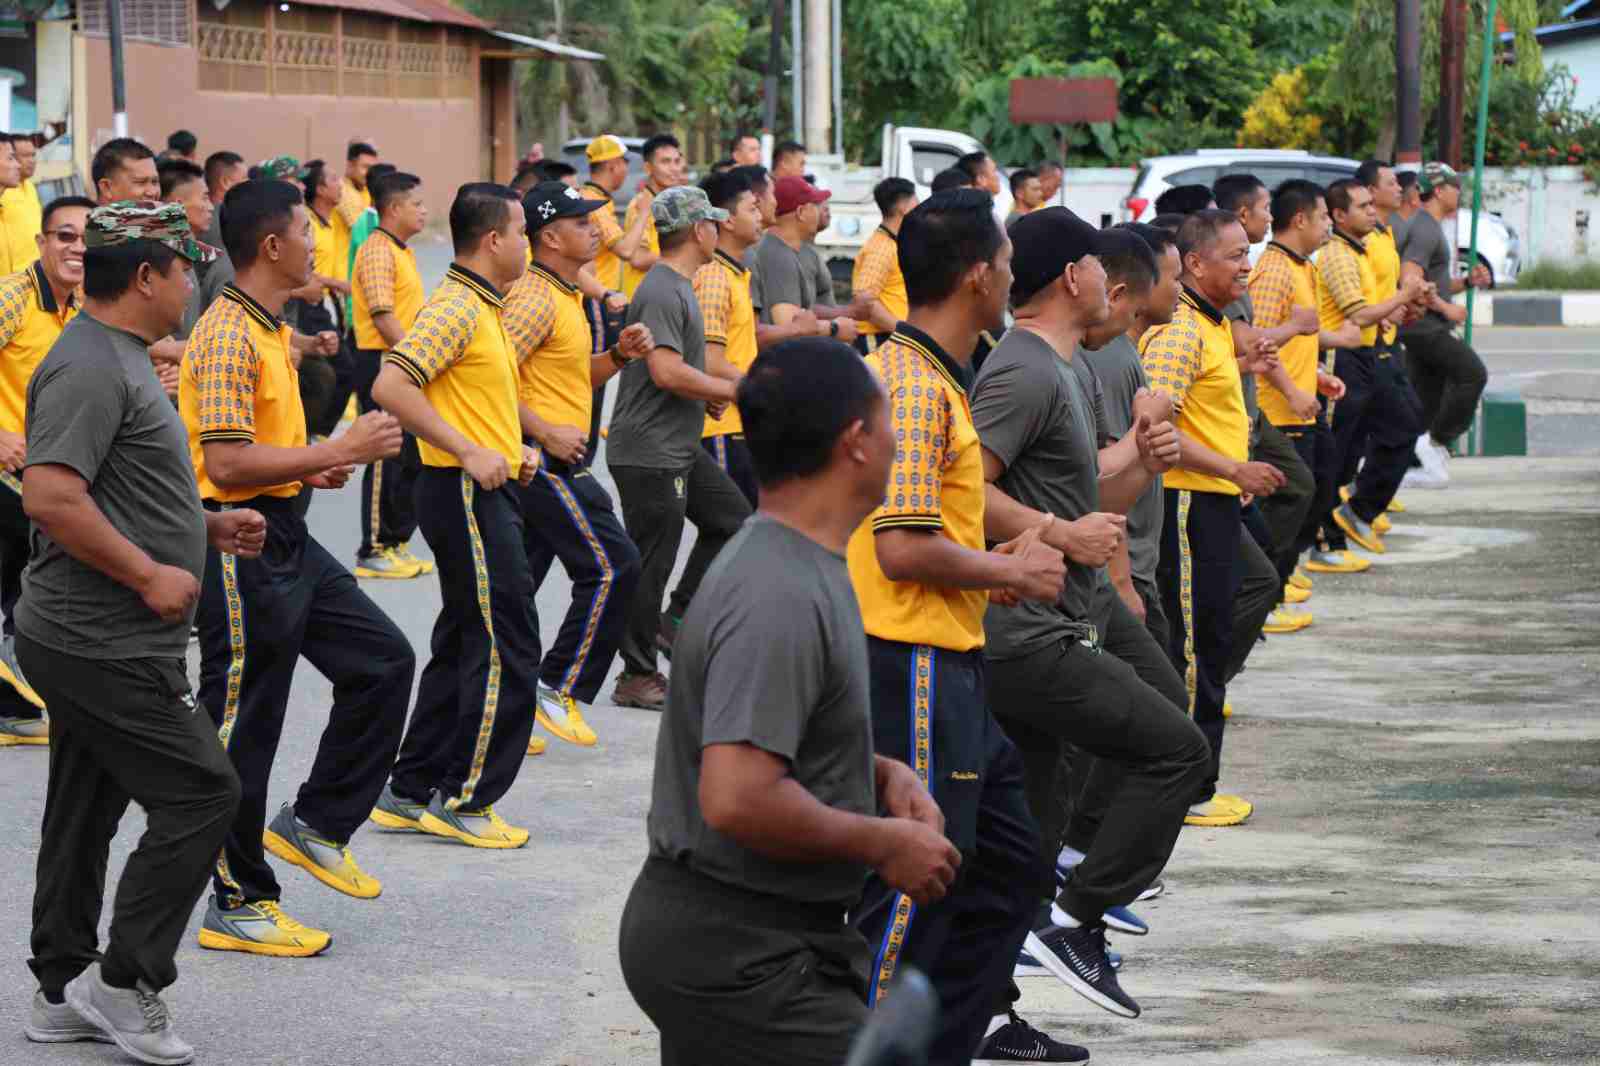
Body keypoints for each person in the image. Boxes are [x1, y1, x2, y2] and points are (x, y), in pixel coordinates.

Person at [619, 337, 958, 1066]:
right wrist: (883, 843)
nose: (900, 439)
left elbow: (766, 733)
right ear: (857, 443)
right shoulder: (776, 588)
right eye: (889, 420)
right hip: (739, 954)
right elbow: (738, 797)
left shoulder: (804, 558)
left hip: (750, 938)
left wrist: (876, 773)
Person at [19, 201, 259, 1065]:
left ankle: (59, 991)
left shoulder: (120, 356)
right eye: (187, 269)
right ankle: (124, 978)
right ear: (149, 278)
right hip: (101, 638)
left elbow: (118, 484)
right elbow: (51, 495)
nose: (197, 283)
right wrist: (149, 572)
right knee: (203, 792)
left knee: (84, 809)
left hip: (97, 633)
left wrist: (203, 529)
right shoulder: (90, 366)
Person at [845, 188, 1069, 1066]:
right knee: (912, 882)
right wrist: (1008, 569)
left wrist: (996, 568)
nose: (1014, 273)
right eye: (1008, 260)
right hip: (914, 660)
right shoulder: (910, 382)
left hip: (954, 656)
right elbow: (903, 547)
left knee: (1010, 872)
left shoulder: (939, 374)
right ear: (979, 276)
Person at [973, 211, 1203, 1028]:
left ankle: (989, 1015)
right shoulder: (1025, 370)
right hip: (1024, 632)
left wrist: (1143, 457)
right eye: (1096, 266)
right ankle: (1078, 919)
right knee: (1177, 751)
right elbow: (960, 489)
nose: (1112, 277)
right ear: (1072, 278)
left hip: (1055, 619)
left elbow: (1088, 501)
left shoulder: (1062, 366)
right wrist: (1055, 533)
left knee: (1026, 839)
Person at [176, 179, 412, 958]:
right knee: (245, 725)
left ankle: (314, 823)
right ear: (271, 247)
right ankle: (237, 900)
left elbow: (260, 450)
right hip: (237, 542)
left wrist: (309, 468)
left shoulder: (267, 325)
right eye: (308, 232)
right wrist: (336, 449)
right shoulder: (226, 334)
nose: (320, 245)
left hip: (284, 530)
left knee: (382, 661)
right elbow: (224, 460)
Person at [369, 183, 543, 849]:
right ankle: (465, 799)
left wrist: (507, 450)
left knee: (467, 638)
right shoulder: (457, 305)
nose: (525, 242)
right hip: (461, 496)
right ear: (493, 239)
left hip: (477, 488)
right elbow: (392, 384)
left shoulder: (482, 305)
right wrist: (470, 451)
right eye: (521, 231)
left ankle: (411, 789)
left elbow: (467, 397)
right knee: (507, 642)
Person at [1140, 210, 1282, 827]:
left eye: (1249, 253)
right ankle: (1193, 789)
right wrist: (1231, 470)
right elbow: (1154, 421)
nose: (1247, 266)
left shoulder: (1213, 324)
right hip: (1188, 501)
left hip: (1213, 498)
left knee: (1220, 625)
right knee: (1197, 644)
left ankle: (1193, 775)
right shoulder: (1180, 331)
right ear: (1194, 264)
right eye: (1236, 255)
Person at [504, 181, 649, 751]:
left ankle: (502, 711)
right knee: (614, 565)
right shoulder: (535, 297)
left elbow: (568, 378)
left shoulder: (566, 294)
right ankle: (554, 686)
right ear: (550, 236)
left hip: (559, 456)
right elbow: (489, 378)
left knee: (512, 596)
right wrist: (541, 432)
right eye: (583, 222)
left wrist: (616, 357)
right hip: (536, 461)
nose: (595, 229)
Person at [607, 187, 750, 710]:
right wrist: (733, 392)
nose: (718, 228)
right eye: (712, 222)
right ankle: (636, 674)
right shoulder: (665, 289)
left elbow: (677, 369)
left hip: (676, 445)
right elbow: (666, 373)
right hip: (649, 452)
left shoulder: (681, 285)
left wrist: (706, 399)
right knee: (651, 564)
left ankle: (672, 622)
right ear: (699, 231)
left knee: (734, 519)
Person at [0, 195, 92, 745]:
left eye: (85, 239)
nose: (76, 248)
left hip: (43, 470)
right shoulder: (13, 297)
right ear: (41, 243)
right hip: (11, 472)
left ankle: (13, 708)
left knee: (19, 581)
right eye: (64, 236)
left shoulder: (81, 306)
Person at [1212, 172, 1317, 637]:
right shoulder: (1242, 282)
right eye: (1264, 209)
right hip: (1249, 420)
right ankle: (1254, 604)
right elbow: (1256, 346)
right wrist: (1292, 381)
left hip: (1249, 419)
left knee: (1300, 487)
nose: (1269, 218)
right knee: (1293, 491)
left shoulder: (1250, 274)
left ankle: (1262, 596)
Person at [1246, 180, 1352, 604]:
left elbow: (1299, 338)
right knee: (1294, 500)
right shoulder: (1273, 271)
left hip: (1304, 405)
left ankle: (1280, 579)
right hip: (1280, 412)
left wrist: (1316, 379)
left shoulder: (1304, 265)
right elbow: (1258, 343)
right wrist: (1291, 391)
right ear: (1300, 219)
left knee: (1322, 491)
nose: (1329, 224)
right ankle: (1264, 592)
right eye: (1325, 216)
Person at [1311, 178, 1423, 570]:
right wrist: (1402, 298)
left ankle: (1349, 515)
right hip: (1339, 359)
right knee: (1334, 452)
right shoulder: (1339, 254)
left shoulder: (1360, 248)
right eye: (1363, 206)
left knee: (1363, 444)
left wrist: (1398, 307)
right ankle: (1326, 537)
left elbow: (1367, 309)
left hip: (1364, 354)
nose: (1372, 211)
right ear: (1340, 215)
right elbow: (1357, 313)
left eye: (1371, 205)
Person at [350, 171, 429, 579]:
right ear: (394, 208)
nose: (424, 212)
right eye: (417, 205)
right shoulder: (378, 250)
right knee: (386, 454)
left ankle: (396, 542)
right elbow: (383, 315)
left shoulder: (401, 250)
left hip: (400, 361)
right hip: (384, 360)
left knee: (408, 455)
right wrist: (414, 357)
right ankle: (374, 548)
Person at [1346, 158, 1425, 538]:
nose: (1401, 188)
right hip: (1367, 345)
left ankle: (1358, 505)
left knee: (1398, 424)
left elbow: (1383, 291)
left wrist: (1406, 303)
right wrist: (1393, 305)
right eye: (1391, 183)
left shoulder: (1385, 234)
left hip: (1386, 342)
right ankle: (1355, 510)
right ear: (1371, 191)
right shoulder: (1362, 241)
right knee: (1398, 426)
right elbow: (1358, 298)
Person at [1399, 162, 1489, 488]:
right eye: (1455, 186)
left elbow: (1433, 280)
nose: (1459, 192)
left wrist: (1465, 281)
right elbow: (1409, 277)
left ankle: (1411, 462)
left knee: (1424, 400)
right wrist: (1444, 308)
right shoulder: (1425, 228)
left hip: (1424, 325)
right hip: (1424, 326)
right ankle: (1435, 441)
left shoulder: (1431, 226)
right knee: (1472, 374)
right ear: (1439, 190)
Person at [694, 171, 766, 506]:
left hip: (737, 421)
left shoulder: (736, 273)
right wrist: (757, 388)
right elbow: (710, 359)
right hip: (719, 426)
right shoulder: (714, 277)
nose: (761, 216)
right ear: (726, 220)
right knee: (732, 527)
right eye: (752, 209)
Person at [749, 177, 857, 339]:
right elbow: (789, 326)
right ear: (801, 213)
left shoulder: (784, 251)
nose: (819, 211)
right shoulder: (779, 256)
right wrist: (834, 328)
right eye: (815, 206)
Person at [852, 177, 915, 353]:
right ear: (903, 206)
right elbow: (864, 301)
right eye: (915, 202)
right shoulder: (881, 248)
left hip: (890, 337)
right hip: (877, 340)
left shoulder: (892, 243)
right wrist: (905, 333)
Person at [621, 134, 687, 298]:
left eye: (677, 161)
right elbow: (637, 258)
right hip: (644, 299)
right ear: (648, 168)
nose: (674, 168)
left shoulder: (674, 202)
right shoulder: (640, 206)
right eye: (665, 162)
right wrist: (682, 253)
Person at [2, 134, 42, 270]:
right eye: (25, 156)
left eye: (33, 155)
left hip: (32, 272)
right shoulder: (5, 189)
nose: (32, 161)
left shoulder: (30, 187)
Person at [91, 140, 159, 205]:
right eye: (141, 182)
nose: (152, 192)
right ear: (106, 187)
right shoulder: (82, 216)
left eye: (155, 182)